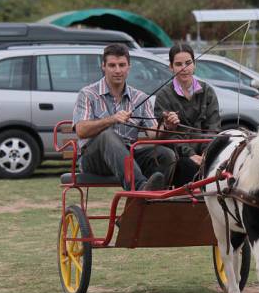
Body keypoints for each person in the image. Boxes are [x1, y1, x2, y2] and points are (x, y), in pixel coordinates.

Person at [73, 44, 180, 191]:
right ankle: (141, 188)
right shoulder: (88, 94)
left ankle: (156, 200)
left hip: (129, 157)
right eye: (112, 65)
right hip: (94, 160)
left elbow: (153, 134)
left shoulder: (140, 97)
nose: (117, 70)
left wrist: (167, 126)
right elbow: (81, 130)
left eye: (122, 65)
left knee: (166, 155)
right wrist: (112, 119)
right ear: (103, 66)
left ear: (129, 67)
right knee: (107, 136)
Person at [154, 43, 221, 186]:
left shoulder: (208, 91)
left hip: (207, 152)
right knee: (188, 167)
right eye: (178, 64)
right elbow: (169, 135)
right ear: (171, 67)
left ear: (194, 65)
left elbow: (213, 127)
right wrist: (190, 154)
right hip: (178, 155)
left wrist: (206, 154)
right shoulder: (163, 96)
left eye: (188, 63)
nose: (184, 68)